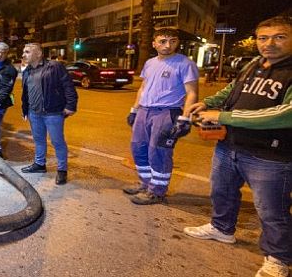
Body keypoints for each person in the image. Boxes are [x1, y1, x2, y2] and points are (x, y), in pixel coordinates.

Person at [183, 16, 292, 277]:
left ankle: (279, 258)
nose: (269, 44)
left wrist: (221, 116)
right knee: (222, 192)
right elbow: (232, 91)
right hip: (229, 145)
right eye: (262, 38)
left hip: (271, 155)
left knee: (271, 210)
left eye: (280, 37)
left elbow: (285, 114)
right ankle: (222, 229)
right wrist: (207, 103)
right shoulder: (254, 64)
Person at [123, 28, 199, 204]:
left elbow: (192, 93)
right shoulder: (150, 63)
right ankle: (146, 183)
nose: (167, 45)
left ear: (177, 43)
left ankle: (157, 191)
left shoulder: (185, 64)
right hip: (144, 111)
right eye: (163, 41)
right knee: (138, 148)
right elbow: (143, 87)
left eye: (172, 41)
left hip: (167, 112)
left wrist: (185, 118)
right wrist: (134, 110)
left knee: (158, 151)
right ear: (154, 43)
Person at [20, 43, 77, 185]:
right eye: (23, 52)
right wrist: (25, 109)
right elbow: (25, 93)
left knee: (57, 142)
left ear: (38, 54)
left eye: (27, 52)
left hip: (53, 112)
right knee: (38, 140)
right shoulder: (27, 71)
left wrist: (71, 105)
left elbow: (68, 86)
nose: (23, 55)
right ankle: (40, 165)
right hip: (34, 113)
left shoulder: (54, 66)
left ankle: (62, 170)